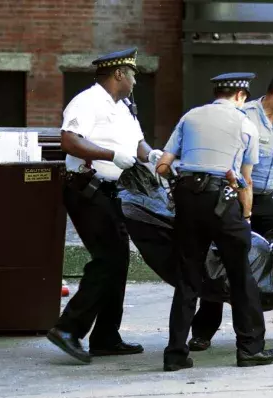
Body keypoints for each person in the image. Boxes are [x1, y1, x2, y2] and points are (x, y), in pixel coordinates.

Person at [187, 70, 273, 353]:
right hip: (236, 197)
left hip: (266, 199)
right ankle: (203, 332)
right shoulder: (245, 114)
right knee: (220, 260)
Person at [155, 72, 273, 371]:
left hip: (187, 197)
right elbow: (245, 181)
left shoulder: (190, 117)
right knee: (241, 276)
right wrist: (246, 218)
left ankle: (175, 354)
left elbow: (162, 166)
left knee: (188, 279)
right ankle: (249, 349)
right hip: (223, 201)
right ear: (240, 95)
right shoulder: (245, 124)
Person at [47, 47, 164, 363]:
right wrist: (110, 156)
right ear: (119, 74)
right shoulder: (88, 101)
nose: (136, 81)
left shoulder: (123, 107)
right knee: (107, 258)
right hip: (88, 188)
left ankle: (106, 336)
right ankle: (68, 329)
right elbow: (69, 140)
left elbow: (136, 144)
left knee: (119, 260)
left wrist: (150, 154)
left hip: (113, 191)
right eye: (134, 74)